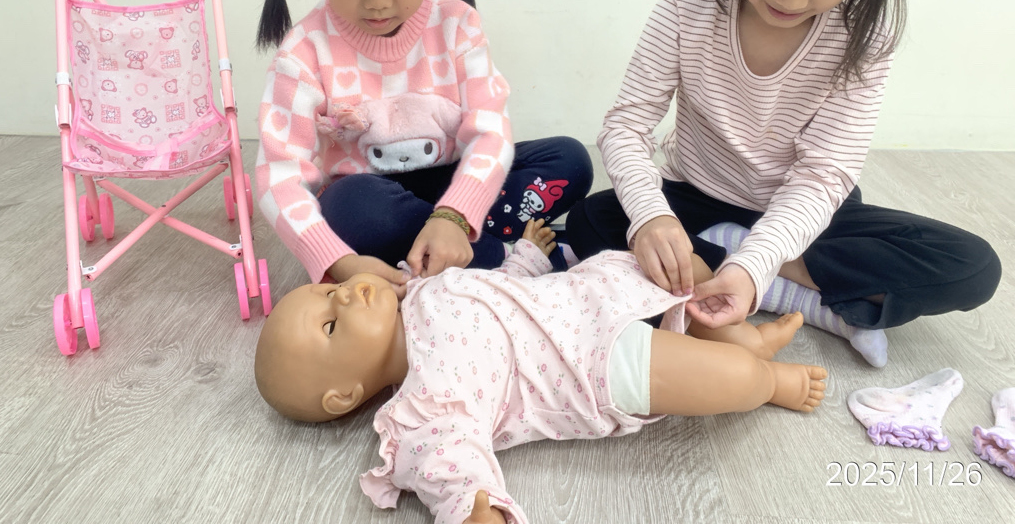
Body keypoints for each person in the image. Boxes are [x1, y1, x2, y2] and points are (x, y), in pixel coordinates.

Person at [564, 0, 1001, 356]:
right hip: (696, 192)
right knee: (589, 223)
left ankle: (738, 269)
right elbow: (626, 126)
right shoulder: (687, 7)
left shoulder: (864, 36)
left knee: (973, 266)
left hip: (802, 209)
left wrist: (755, 259)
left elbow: (823, 175)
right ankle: (798, 293)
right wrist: (650, 218)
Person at [254, 219, 827, 524]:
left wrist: (526, 256)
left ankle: (744, 335)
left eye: (326, 291)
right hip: (593, 367)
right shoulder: (424, 406)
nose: (344, 294)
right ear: (344, 395)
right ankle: (768, 379)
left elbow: (499, 290)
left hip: (588, 294)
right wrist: (474, 510)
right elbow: (451, 464)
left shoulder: (420, 289)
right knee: (733, 379)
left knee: (688, 268)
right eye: (331, 324)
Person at [254, 0, 592, 292]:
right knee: (349, 208)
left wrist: (454, 215)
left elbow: (489, 132)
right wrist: (338, 262)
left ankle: (460, 248)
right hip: (374, 197)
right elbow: (279, 177)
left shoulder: (457, 24)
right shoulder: (304, 52)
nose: (378, 2)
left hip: (454, 184)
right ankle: (502, 253)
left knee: (570, 158)